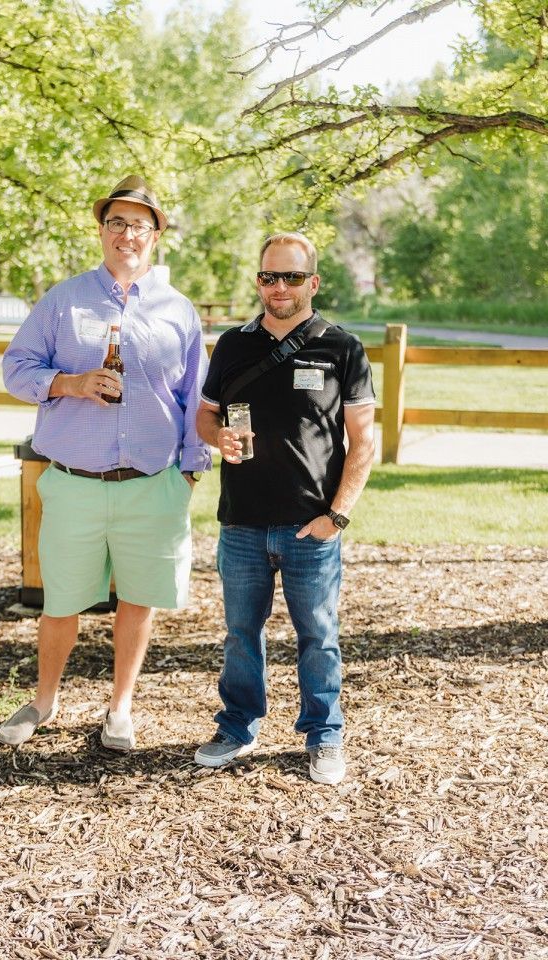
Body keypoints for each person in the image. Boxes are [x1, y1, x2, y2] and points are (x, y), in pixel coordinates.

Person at [0, 175, 210, 750]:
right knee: (60, 601)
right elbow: (16, 369)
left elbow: (196, 396)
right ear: (102, 230)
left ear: (156, 235)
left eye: (139, 224)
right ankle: (43, 701)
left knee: (138, 598)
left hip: (152, 483)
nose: (127, 234)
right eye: (117, 222)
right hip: (75, 482)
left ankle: (120, 707)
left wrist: (189, 472)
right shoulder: (64, 300)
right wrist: (69, 382)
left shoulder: (178, 311)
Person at [194, 232, 375, 785]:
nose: (279, 287)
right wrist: (217, 436)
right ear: (258, 281)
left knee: (318, 634)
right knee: (239, 634)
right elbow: (205, 416)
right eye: (269, 276)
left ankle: (324, 735)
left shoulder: (341, 347)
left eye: (292, 277)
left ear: (313, 283)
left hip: (310, 526)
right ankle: (238, 727)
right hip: (242, 523)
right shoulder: (231, 345)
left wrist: (335, 516)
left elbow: (364, 441)